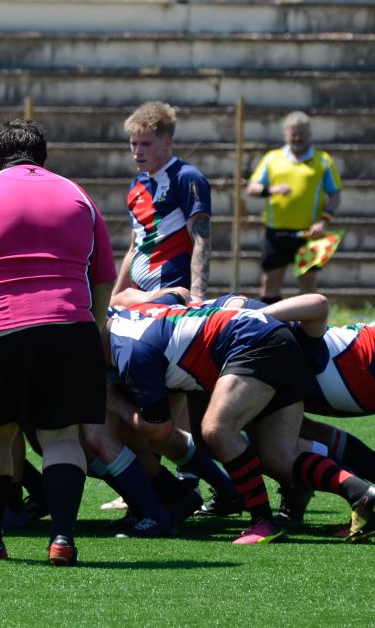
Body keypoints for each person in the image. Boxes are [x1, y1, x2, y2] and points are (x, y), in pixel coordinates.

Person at [0, 119, 116, 566]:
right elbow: (104, 277)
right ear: (44, 160)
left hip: (2, 329)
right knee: (62, 437)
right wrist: (91, 330)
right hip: (71, 327)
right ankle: (63, 538)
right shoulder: (78, 195)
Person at [107, 294, 375, 544]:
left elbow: (158, 430)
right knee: (278, 456)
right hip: (265, 343)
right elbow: (178, 294)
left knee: (217, 430)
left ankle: (263, 521)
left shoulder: (130, 349)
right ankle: (360, 493)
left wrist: (116, 403)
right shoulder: (131, 320)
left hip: (260, 344)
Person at [114, 101, 211, 303]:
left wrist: (197, 297)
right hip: (140, 297)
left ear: (167, 142)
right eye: (133, 143)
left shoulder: (186, 177)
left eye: (146, 144)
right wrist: (115, 297)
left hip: (172, 296)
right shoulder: (136, 185)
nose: (137, 151)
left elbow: (201, 241)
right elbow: (134, 248)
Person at [246, 111, 342, 304]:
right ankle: (269, 322)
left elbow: (335, 195)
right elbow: (252, 188)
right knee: (270, 283)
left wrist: (325, 220)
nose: (297, 138)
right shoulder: (272, 158)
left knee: (308, 287)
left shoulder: (322, 160)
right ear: (286, 134)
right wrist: (272, 190)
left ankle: (309, 323)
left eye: (301, 134)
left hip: (309, 235)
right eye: (293, 134)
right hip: (276, 233)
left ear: (309, 134)